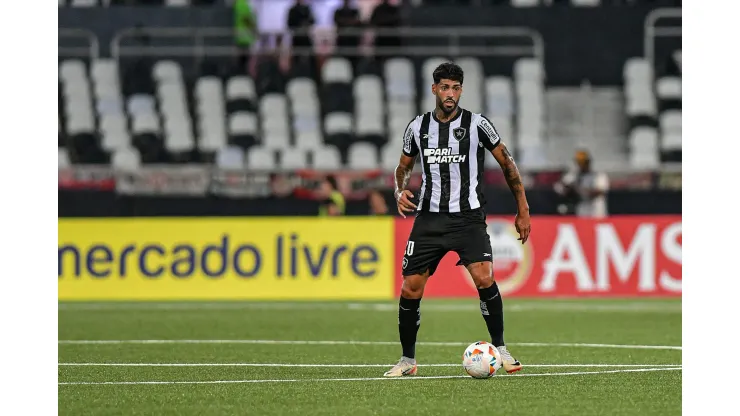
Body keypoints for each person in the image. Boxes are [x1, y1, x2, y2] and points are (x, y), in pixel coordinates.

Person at [384, 62, 531, 377]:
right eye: (444, 87)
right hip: (429, 219)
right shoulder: (417, 127)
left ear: (461, 90)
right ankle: (407, 361)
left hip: (468, 218)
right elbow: (403, 165)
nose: (450, 94)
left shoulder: (478, 124)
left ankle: (501, 349)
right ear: (434, 89)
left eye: (456, 88)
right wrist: (399, 190)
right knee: (410, 288)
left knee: (485, 278)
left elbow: (507, 164)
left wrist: (523, 208)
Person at [554, 149, 609, 218]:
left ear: (588, 162)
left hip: (597, 211)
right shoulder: (573, 176)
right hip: (582, 210)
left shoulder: (599, 176)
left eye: (584, 163)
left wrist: (579, 189)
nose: (581, 165)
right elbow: (559, 188)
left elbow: (600, 191)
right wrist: (568, 189)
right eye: (579, 163)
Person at [233, 0, 257, 73]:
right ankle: (243, 75)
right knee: (243, 62)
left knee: (242, 62)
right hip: (243, 38)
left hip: (240, 37)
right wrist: (254, 31)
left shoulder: (238, 4)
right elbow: (246, 19)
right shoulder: (242, 3)